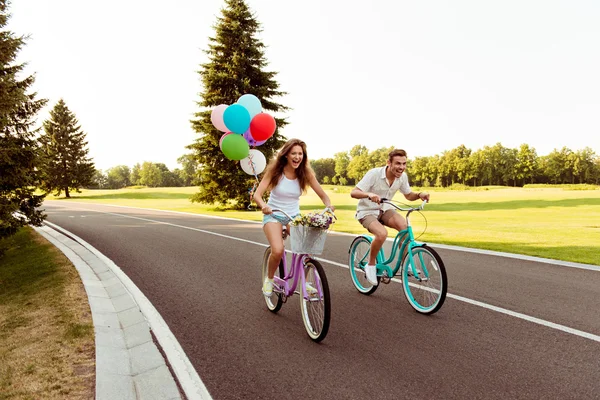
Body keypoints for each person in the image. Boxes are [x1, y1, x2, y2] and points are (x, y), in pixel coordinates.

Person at [253, 138, 334, 296]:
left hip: (293, 217)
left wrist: (328, 206)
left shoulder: (305, 174)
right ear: (286, 155)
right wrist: (264, 206)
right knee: (277, 250)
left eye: (300, 154)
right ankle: (269, 279)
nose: (297, 157)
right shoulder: (275, 172)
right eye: (294, 153)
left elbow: (323, 195)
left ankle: (306, 281)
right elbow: (257, 194)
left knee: (305, 248)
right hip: (274, 215)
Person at [350, 149, 430, 286]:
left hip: (385, 209)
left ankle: (406, 263)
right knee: (382, 234)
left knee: (404, 227)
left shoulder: (402, 177)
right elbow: (354, 192)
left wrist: (419, 194)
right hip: (367, 211)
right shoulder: (374, 174)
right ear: (389, 163)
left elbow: (408, 195)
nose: (401, 167)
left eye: (404, 164)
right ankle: (370, 265)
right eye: (398, 163)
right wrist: (369, 194)